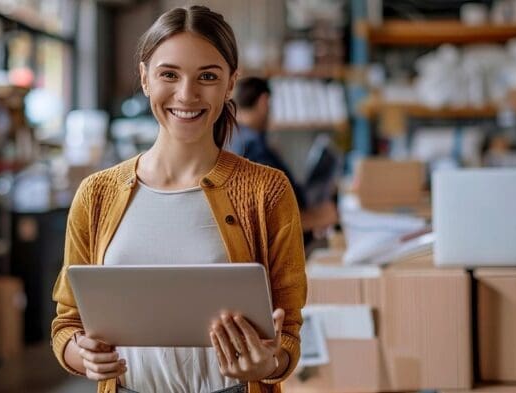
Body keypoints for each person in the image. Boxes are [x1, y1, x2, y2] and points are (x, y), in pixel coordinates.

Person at [51, 6, 307, 393]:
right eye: (169, 74)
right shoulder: (97, 194)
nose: (187, 95)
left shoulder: (266, 190)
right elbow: (67, 323)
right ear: (145, 78)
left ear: (231, 83)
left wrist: (269, 363)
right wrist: (82, 354)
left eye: (207, 76)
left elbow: (287, 332)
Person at [230, 77, 338, 237]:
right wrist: (316, 217)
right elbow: (265, 217)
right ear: (264, 102)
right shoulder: (253, 148)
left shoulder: (234, 139)